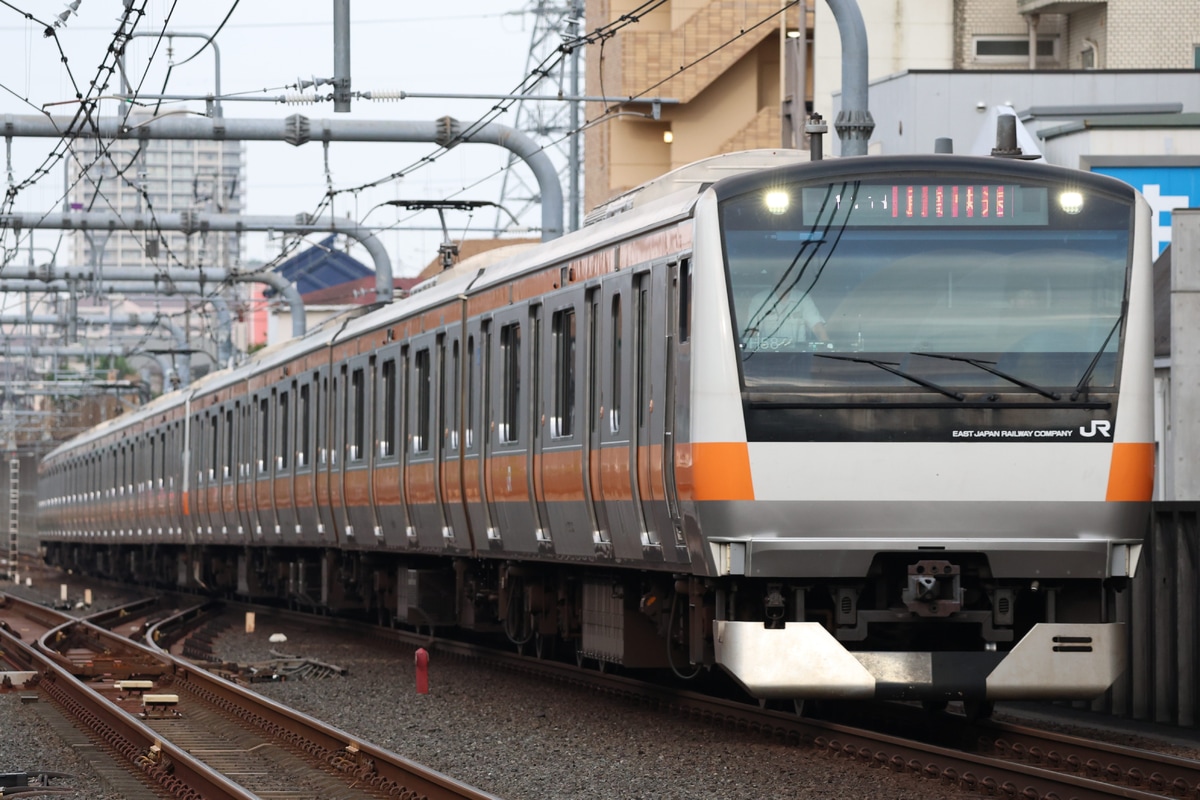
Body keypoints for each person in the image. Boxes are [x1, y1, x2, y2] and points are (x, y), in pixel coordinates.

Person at [742, 286, 829, 351]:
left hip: (799, 356)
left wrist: (827, 346)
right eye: (779, 271)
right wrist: (747, 351)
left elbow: (816, 325)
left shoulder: (803, 298)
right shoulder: (759, 299)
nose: (784, 274)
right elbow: (751, 331)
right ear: (773, 274)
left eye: (788, 271)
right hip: (766, 355)